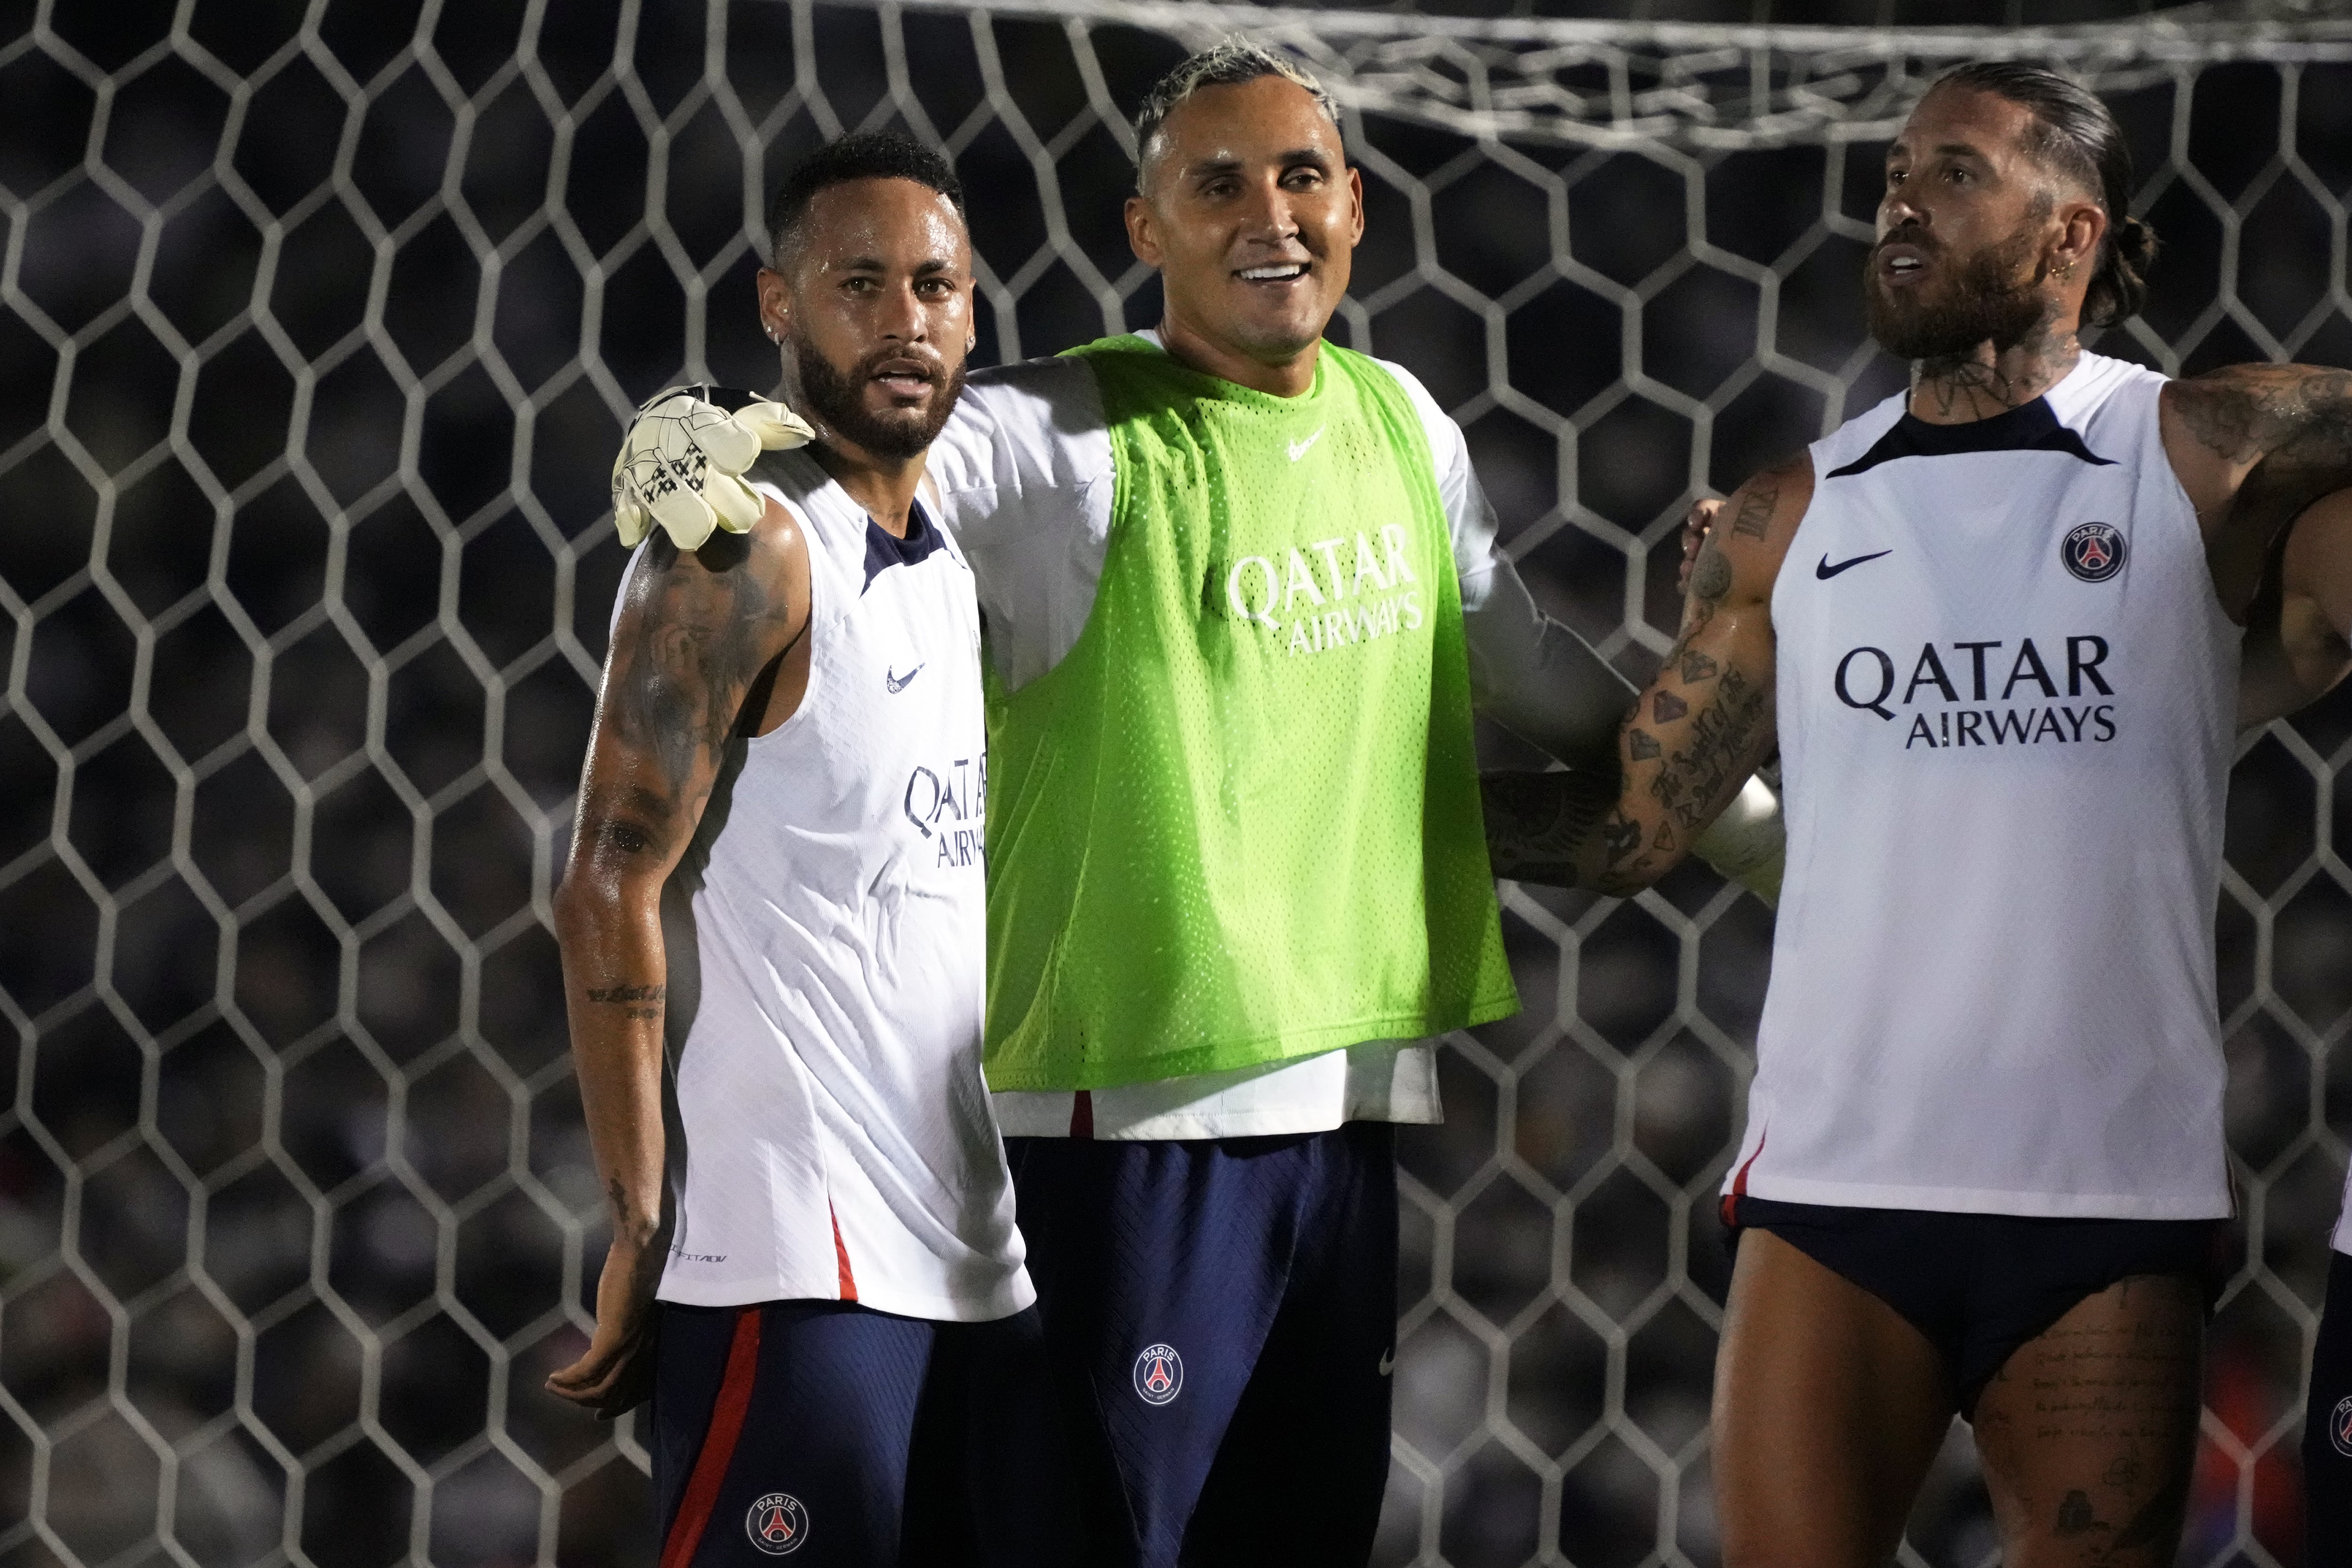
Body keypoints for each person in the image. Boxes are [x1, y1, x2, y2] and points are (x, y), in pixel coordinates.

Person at [1479, 61, 2352, 1566]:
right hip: (1837, 1194)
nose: (1902, 200)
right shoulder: (1789, 514)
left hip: (2106, 1202)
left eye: (1957, 173)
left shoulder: (2207, 452)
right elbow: (1638, 832)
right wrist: (1387, 818)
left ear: (2071, 237)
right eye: (1896, 172)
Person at [545, 132, 1073, 1567]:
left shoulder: (958, 548)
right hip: (794, 1259)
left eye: (936, 286)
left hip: (971, 1260)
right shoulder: (739, 551)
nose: (906, 318)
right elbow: (605, 886)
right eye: (860, 284)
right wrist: (641, 1212)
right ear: (779, 305)